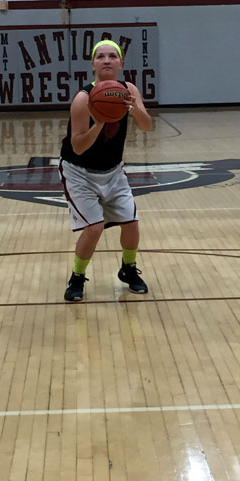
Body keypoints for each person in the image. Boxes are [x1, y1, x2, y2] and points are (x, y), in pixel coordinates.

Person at [59, 39, 152, 301]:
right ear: (93, 63)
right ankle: (77, 277)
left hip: (113, 171)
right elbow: (77, 146)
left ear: (121, 62)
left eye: (113, 56)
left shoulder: (129, 90)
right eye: (101, 56)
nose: (107, 60)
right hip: (79, 172)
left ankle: (128, 269)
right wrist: (100, 121)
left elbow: (147, 126)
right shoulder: (83, 99)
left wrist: (135, 110)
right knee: (94, 228)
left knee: (131, 223)